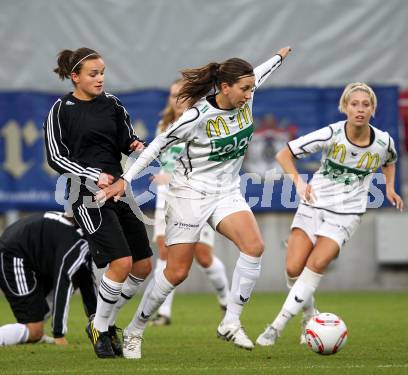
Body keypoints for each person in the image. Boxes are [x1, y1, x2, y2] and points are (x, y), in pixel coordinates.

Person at [98, 46, 293, 357]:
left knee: (254, 247)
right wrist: (126, 179)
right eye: (244, 88)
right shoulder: (197, 116)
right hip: (189, 194)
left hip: (226, 190)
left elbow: (263, 70)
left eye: (251, 88)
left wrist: (280, 57)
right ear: (225, 87)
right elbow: (156, 148)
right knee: (176, 272)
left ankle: (230, 321)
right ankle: (135, 329)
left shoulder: (247, 95)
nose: (249, 94)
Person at [255, 82, 404, 346]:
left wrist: (390, 187)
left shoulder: (383, 141)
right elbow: (283, 153)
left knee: (317, 265)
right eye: (354, 104)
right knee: (292, 268)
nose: (360, 109)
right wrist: (299, 183)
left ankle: (275, 327)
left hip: (346, 215)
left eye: (365, 104)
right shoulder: (331, 134)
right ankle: (310, 314)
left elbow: (390, 160)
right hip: (314, 205)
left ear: (373, 109)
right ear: (345, 107)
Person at [43, 47, 153, 358]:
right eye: (93, 74)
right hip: (86, 195)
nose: (100, 78)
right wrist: (93, 174)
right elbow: (55, 156)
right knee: (121, 263)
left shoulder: (113, 105)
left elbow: (126, 140)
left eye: (102, 72)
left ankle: (103, 322)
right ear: (75, 77)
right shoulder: (60, 109)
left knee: (143, 266)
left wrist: (137, 147)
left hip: (119, 190)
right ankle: (102, 331)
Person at [149, 80, 229, 326]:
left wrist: (175, 176)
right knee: (165, 252)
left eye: (183, 95)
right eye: (174, 95)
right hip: (167, 200)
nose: (178, 100)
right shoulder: (164, 127)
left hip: (196, 199)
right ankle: (164, 312)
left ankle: (227, 301)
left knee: (203, 257)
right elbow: (163, 161)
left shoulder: (204, 123)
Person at [0, 211, 96, 346]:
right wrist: (59, 334)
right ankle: (34, 332)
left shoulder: (81, 231)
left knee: (75, 277)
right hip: (13, 256)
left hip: (32, 259)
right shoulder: (78, 240)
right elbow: (63, 283)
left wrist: (97, 323)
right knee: (34, 329)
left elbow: (84, 278)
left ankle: (33, 331)